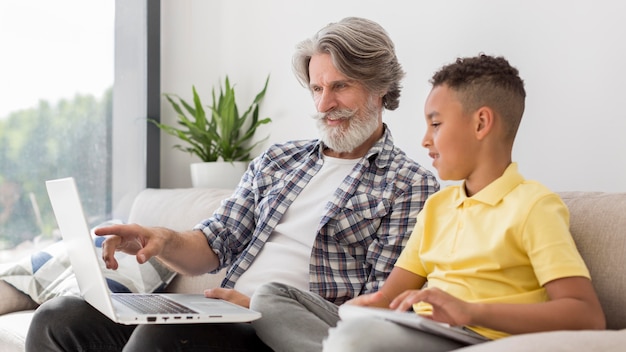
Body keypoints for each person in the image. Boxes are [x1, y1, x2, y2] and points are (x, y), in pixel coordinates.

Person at [25, 17, 439, 352]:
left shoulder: (410, 186)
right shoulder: (280, 160)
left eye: (340, 86)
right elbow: (214, 243)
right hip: (223, 316)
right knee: (60, 319)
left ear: (381, 85)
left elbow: (377, 306)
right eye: (316, 88)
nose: (324, 104)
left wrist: (264, 307)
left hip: (282, 333)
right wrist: (159, 239)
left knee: (168, 335)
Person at [321, 54, 606, 352]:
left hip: (480, 338)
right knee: (276, 301)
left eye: (436, 124)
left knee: (355, 340)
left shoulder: (534, 205)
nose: (425, 140)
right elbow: (387, 299)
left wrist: (470, 311)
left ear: (481, 123)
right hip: (420, 331)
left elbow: (586, 315)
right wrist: (361, 309)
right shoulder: (437, 207)